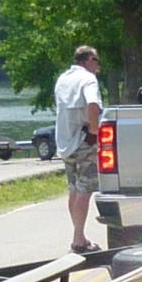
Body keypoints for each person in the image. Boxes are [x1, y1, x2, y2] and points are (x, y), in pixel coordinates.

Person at [54, 45, 103, 253]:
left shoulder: (63, 79)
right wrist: (94, 131)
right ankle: (78, 240)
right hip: (85, 141)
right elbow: (92, 104)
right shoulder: (88, 79)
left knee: (74, 189)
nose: (98, 68)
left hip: (66, 142)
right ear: (89, 59)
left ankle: (79, 235)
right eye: (97, 62)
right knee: (85, 190)